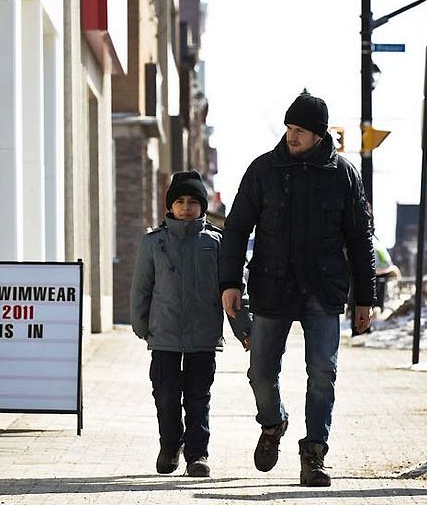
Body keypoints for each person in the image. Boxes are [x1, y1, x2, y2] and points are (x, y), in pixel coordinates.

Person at [219, 90, 375, 487]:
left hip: (323, 290)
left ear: (320, 135)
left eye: (300, 130)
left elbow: (360, 238)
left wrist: (365, 297)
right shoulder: (263, 170)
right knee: (260, 372)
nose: (292, 136)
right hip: (272, 286)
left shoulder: (343, 173)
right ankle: (273, 424)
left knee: (323, 372)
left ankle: (314, 454)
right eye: (289, 128)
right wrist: (230, 283)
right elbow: (236, 229)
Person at [130, 170, 251, 478]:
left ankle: (197, 455)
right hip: (164, 335)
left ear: (202, 206)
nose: (186, 207)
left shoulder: (216, 242)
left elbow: (234, 291)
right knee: (166, 395)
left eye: (193, 202)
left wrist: (243, 330)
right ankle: (170, 446)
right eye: (180, 201)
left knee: (198, 398)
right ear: (170, 206)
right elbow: (141, 289)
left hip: (203, 336)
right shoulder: (153, 243)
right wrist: (142, 325)